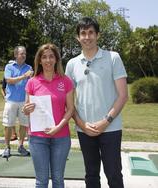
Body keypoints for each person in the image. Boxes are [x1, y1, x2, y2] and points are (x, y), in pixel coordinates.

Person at [65, 17, 128, 188]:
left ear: (98, 35)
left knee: (113, 173)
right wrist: (82, 124)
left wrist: (105, 121)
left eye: (91, 32)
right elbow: (69, 102)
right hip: (84, 129)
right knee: (91, 175)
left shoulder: (113, 57)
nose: (87, 37)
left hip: (111, 128)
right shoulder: (71, 64)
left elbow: (123, 96)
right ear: (78, 37)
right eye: (83, 33)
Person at [23, 43, 74, 188]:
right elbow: (27, 109)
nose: (48, 60)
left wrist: (58, 127)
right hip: (38, 138)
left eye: (51, 56)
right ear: (39, 60)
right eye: (44, 57)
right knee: (41, 181)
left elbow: (70, 109)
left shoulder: (65, 81)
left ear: (56, 59)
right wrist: (26, 109)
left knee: (58, 179)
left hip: (61, 137)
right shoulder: (32, 82)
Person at [2, 46, 33, 158]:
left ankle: (20, 146)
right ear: (15, 55)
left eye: (25, 53)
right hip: (11, 101)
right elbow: (9, 81)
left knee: (24, 125)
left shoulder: (29, 67)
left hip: (24, 101)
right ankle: (7, 147)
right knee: (8, 125)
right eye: (21, 53)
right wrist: (24, 76)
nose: (24, 55)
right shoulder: (9, 67)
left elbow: (31, 84)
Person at [1, 76, 18, 141]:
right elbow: (2, 88)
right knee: (10, 119)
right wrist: (4, 97)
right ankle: (14, 134)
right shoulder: (7, 75)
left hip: (22, 99)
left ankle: (28, 135)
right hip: (11, 100)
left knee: (25, 120)